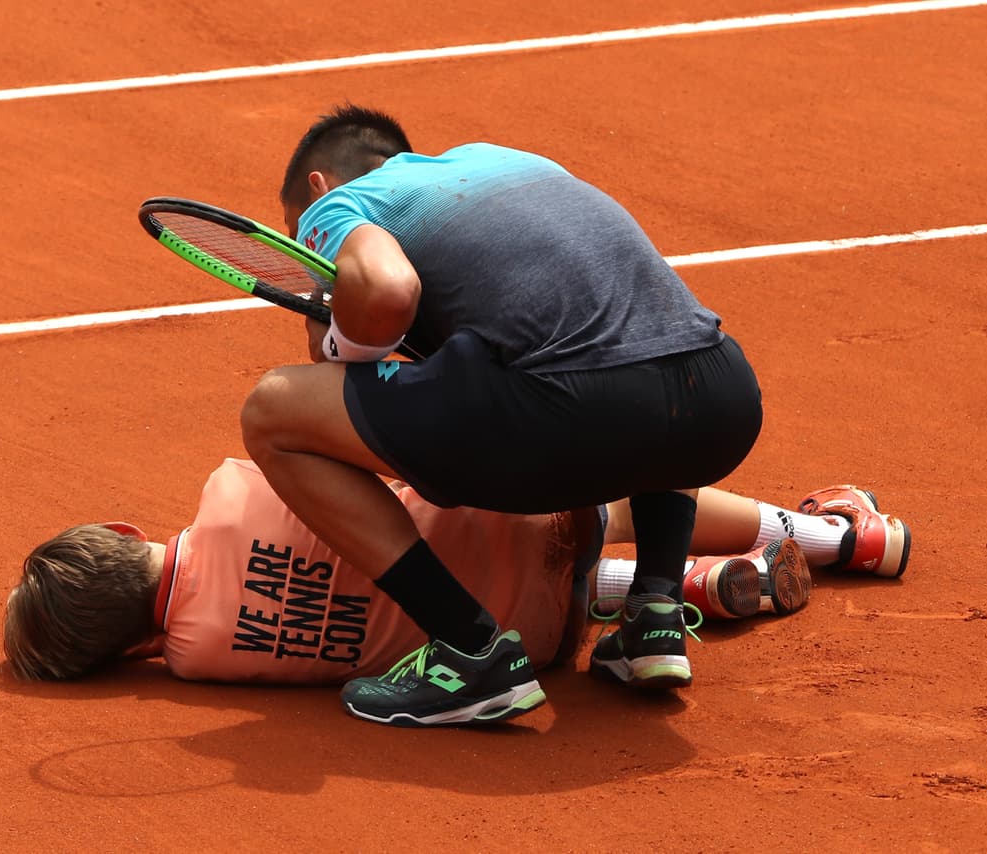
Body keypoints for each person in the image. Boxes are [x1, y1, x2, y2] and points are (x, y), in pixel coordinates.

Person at [238, 104, 766, 724]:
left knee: (273, 412)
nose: (309, 255)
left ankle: (469, 650)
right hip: (720, 401)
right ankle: (655, 610)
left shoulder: (338, 205)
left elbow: (384, 292)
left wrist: (334, 331)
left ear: (318, 186)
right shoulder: (509, 159)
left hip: (577, 413)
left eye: (296, 230)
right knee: (634, 348)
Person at [3, 458, 910, 698]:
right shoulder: (229, 490)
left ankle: (710, 585)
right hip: (542, 521)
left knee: (469, 589)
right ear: (123, 529)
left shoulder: (197, 661)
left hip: (539, 646)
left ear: (132, 647)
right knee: (626, 497)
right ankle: (841, 538)